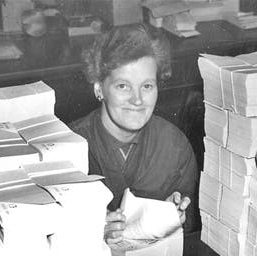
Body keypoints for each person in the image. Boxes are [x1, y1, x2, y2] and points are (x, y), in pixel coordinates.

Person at [70, 24, 199, 244]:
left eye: (147, 86)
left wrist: (173, 220)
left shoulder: (174, 146)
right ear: (99, 88)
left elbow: (191, 229)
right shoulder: (69, 147)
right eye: (123, 86)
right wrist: (89, 232)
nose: (137, 100)